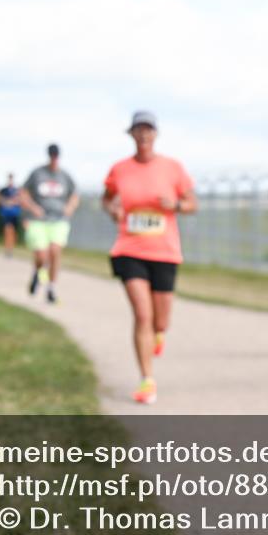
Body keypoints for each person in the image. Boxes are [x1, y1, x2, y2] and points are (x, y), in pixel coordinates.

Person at [102, 111, 197, 405]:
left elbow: (193, 203)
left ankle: (158, 334)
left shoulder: (172, 168)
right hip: (129, 249)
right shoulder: (119, 169)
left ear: (155, 134)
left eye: (148, 130)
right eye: (138, 130)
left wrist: (177, 205)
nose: (143, 135)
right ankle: (147, 380)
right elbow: (106, 197)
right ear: (131, 134)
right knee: (142, 314)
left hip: (165, 251)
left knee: (160, 320)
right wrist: (113, 209)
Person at [20, 144, 79, 304]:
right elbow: (23, 193)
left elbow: (74, 194)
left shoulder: (65, 175)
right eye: (52, 156)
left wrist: (70, 207)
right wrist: (33, 208)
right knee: (41, 255)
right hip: (38, 220)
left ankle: (51, 288)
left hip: (58, 220)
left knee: (54, 251)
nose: (54, 159)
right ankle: (38, 272)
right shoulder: (37, 173)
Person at [0, 173, 22, 257]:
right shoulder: (4, 190)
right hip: (6, 213)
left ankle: (11, 249)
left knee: (13, 232)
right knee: (7, 231)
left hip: (14, 213)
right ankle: (7, 249)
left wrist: (13, 202)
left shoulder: (16, 190)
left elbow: (20, 200)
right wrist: (6, 202)